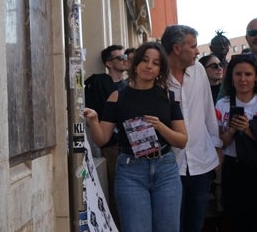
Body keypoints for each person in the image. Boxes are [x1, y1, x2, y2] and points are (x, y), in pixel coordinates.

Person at [83, 42, 188, 232]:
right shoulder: (117, 96)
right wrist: (94, 120)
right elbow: (102, 139)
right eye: (145, 60)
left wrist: (160, 126)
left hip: (166, 170)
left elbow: (181, 140)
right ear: (136, 64)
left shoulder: (169, 97)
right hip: (131, 172)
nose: (149, 66)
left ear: (160, 69)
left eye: (156, 63)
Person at [161, 25, 222, 232]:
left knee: (195, 225)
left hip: (201, 163)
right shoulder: (157, 76)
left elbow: (208, 111)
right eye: (193, 46)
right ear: (177, 49)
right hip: (169, 166)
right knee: (172, 225)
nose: (197, 51)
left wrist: (216, 146)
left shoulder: (199, 71)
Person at [215, 55, 257, 232]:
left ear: (256, 77)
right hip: (233, 169)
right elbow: (219, 143)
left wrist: (249, 130)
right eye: (238, 74)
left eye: (248, 74)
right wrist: (231, 130)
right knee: (235, 220)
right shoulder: (222, 105)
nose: (243, 79)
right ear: (231, 77)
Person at [84, 44, 129, 224]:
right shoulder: (99, 82)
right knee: (117, 191)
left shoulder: (129, 85)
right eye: (120, 57)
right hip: (111, 146)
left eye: (125, 56)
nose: (125, 60)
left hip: (133, 146)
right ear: (108, 63)